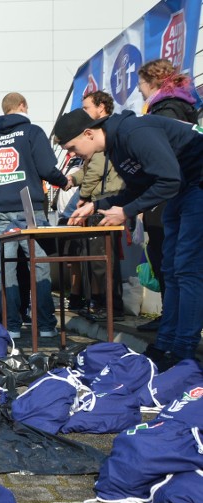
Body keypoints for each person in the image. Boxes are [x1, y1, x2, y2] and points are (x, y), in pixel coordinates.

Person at [56, 105, 203, 370]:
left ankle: (183, 350)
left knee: (187, 269)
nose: (71, 154)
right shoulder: (115, 146)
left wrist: (126, 211)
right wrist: (100, 203)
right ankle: (165, 343)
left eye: (71, 147)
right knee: (169, 269)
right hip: (182, 189)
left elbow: (167, 179)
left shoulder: (133, 132)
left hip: (196, 184)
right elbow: (140, 188)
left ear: (88, 133)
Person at [0, 92, 70, 339]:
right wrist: (64, 181)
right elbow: (47, 168)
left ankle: (12, 326)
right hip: (30, 209)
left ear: (5, 110)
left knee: (8, 270)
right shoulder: (32, 133)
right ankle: (46, 326)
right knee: (39, 267)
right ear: (23, 106)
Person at [135, 59, 198, 333]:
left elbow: (166, 154)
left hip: (175, 192)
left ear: (154, 82)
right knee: (171, 262)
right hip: (178, 190)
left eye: (140, 83)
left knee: (174, 263)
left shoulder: (166, 110)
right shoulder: (175, 105)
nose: (138, 89)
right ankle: (173, 322)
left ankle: (179, 327)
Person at [64, 91, 125, 321]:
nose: (84, 112)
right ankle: (101, 303)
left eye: (87, 107)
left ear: (101, 107)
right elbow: (88, 170)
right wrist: (73, 180)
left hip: (104, 200)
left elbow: (96, 169)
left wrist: (85, 196)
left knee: (102, 257)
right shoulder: (97, 134)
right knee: (95, 257)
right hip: (101, 200)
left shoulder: (102, 134)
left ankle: (109, 306)